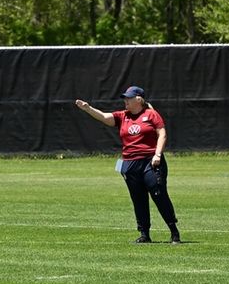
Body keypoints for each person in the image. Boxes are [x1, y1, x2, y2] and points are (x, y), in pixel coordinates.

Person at [75, 86, 181, 244]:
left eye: (129, 98)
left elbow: (162, 134)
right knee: (138, 198)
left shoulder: (151, 114)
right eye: (125, 98)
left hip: (150, 161)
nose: (125, 101)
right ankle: (144, 234)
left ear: (139, 99)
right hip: (130, 163)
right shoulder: (122, 116)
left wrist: (157, 154)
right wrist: (88, 109)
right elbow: (105, 117)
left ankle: (174, 232)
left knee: (158, 194)